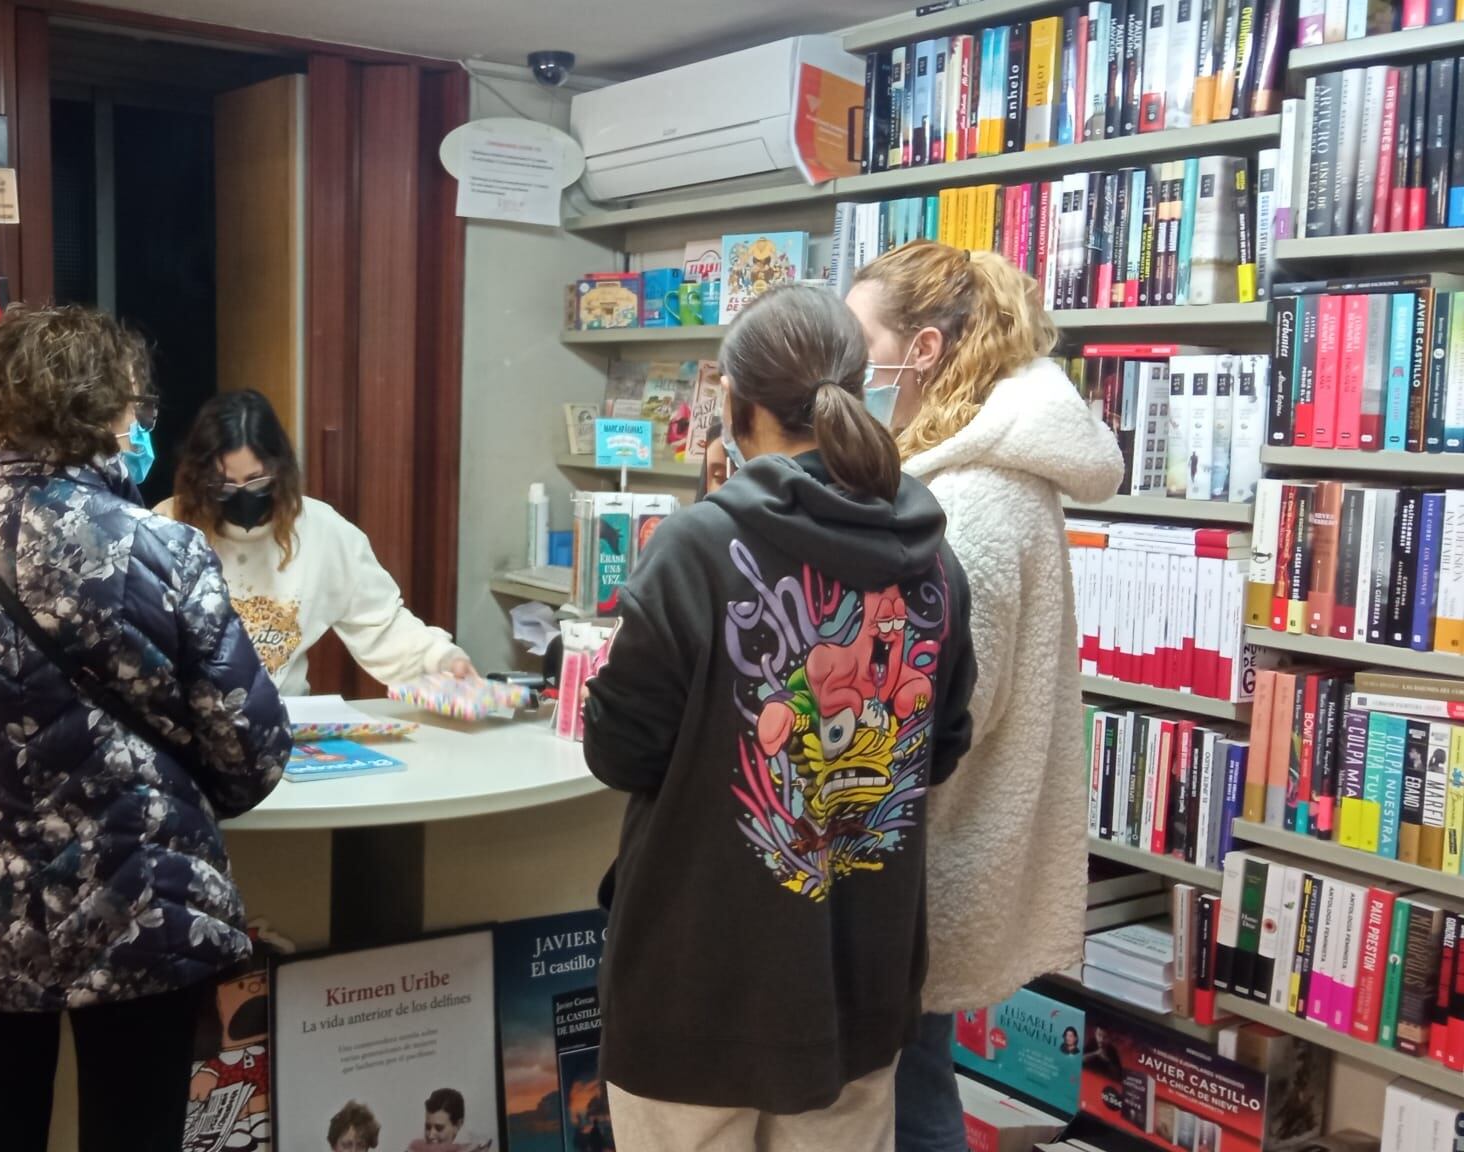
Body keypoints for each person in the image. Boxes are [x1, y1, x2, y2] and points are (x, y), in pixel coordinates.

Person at [0, 304, 292, 1152]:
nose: (142, 427)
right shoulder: (168, 553)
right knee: (135, 1132)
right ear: (105, 415)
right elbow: (251, 752)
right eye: (133, 409)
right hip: (143, 907)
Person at [583, 283, 976, 1152]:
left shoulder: (692, 549)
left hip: (697, 986)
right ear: (859, 389)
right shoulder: (933, 560)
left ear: (734, 401)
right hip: (859, 980)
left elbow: (619, 749)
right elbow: (940, 746)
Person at [844, 241, 1125, 1152]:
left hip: (922, 858)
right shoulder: (972, 480)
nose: (844, 371)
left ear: (919, 352)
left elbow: (936, 712)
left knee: (907, 1102)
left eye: (859, 343)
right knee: (914, 1086)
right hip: (935, 853)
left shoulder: (966, 502)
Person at [158, 389, 472, 695]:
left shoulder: (320, 530)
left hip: (283, 720)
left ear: (279, 469)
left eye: (257, 481)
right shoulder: (167, 527)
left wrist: (442, 660)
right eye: (224, 485)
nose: (243, 496)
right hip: (188, 725)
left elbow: (381, 624)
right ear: (200, 479)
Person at [411, 1088, 493, 1152]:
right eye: (428, 1127)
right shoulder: (416, 1146)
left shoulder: (482, 1147)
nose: (431, 1135)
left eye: (439, 1128)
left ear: (458, 1125)